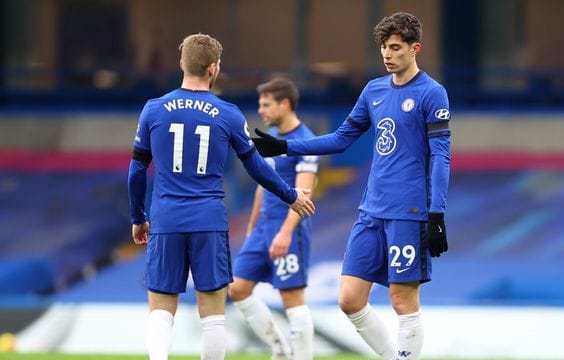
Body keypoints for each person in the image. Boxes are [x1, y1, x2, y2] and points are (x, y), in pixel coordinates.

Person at [252, 12, 450, 360]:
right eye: (383, 48)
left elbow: (441, 156)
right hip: (371, 209)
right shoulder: (374, 90)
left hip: (409, 211)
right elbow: (342, 138)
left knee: (402, 299)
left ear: (414, 48)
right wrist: (286, 146)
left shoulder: (432, 94)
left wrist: (437, 214)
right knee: (350, 299)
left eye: (395, 48)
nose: (387, 55)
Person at [127, 34, 315, 360]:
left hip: (167, 218)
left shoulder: (154, 110)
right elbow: (256, 166)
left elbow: (136, 171)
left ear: (181, 64)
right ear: (213, 68)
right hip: (208, 220)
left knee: (160, 307)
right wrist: (290, 195)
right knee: (212, 312)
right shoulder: (227, 113)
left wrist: (137, 217)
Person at [228, 78, 318, 360]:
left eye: (266, 105)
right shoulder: (271, 138)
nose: (261, 110)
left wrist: (285, 232)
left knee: (291, 297)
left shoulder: (305, 140)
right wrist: (253, 224)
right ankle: (280, 349)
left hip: (288, 228)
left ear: (285, 104)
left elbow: (304, 192)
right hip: (263, 227)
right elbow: (262, 184)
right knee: (238, 288)